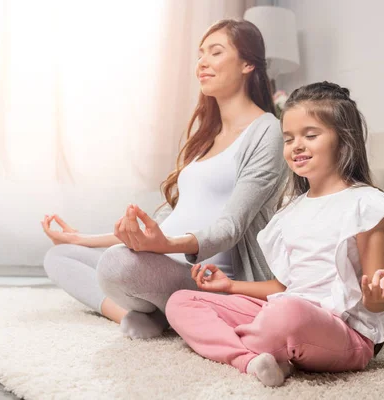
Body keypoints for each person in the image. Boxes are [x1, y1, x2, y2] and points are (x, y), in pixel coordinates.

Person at [41, 19, 288, 340]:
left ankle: (179, 310)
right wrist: (82, 239)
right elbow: (170, 221)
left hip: (212, 277)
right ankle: (141, 316)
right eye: (200, 54)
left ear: (247, 64)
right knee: (60, 256)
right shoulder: (207, 137)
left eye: (215, 52)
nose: (202, 62)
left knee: (117, 265)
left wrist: (166, 245)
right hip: (163, 260)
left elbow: (231, 227)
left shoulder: (267, 131)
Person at [165, 81, 384, 387]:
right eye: (288, 139)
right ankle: (251, 360)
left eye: (310, 135)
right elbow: (286, 286)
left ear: (344, 140)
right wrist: (230, 286)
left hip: (344, 331)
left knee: (286, 313)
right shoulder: (290, 210)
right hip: (287, 311)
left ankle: (236, 343)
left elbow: (376, 296)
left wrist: (381, 298)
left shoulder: (368, 205)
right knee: (181, 302)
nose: (296, 145)